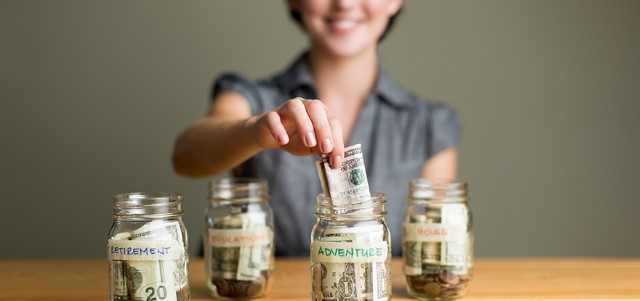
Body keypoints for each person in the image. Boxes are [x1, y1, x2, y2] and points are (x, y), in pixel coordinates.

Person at [172, 0, 460, 256]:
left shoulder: (429, 125)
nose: (344, 3)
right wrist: (254, 131)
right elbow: (186, 155)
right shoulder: (249, 97)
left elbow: (431, 255)